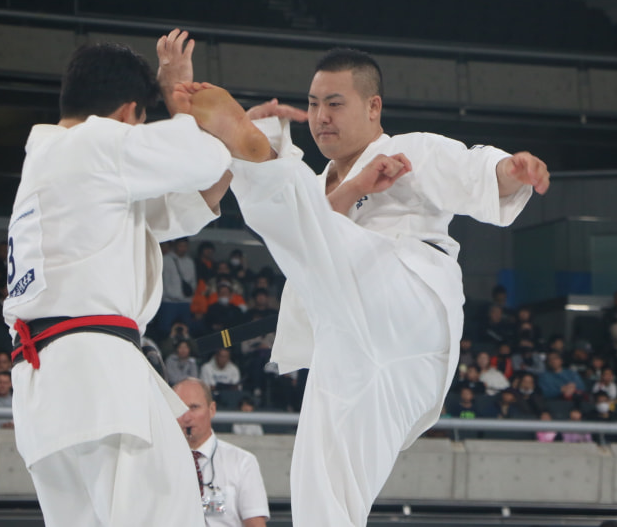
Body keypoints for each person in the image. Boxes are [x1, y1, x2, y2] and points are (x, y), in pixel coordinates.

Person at [175, 45, 549, 525]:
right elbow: (312, 229)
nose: (321, 117)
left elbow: (469, 170)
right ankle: (257, 154)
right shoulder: (318, 190)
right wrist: (351, 189)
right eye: (313, 105)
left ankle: (258, 153)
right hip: (353, 345)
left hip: (407, 290)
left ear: (373, 107)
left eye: (335, 103)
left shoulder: (409, 150)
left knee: (300, 217)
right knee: (322, 489)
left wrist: (509, 171)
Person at [1, 31, 234, 527]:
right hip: (98, 376)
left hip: (44, 390)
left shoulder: (50, 164)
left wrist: (243, 150)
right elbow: (202, 158)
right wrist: (177, 96)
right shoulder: (95, 142)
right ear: (129, 113)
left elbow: (168, 211)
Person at [173, 378, 270, 527]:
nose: (186, 417)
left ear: (211, 409)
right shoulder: (159, 464)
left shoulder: (242, 462)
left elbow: (255, 524)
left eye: (194, 407)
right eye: (179, 409)